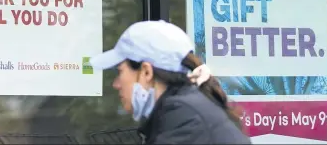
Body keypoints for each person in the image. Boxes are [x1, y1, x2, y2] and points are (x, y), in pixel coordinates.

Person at [90, 20, 251, 144]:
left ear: (146, 72)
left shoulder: (183, 117)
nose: (116, 84)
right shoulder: (185, 108)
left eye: (120, 72)